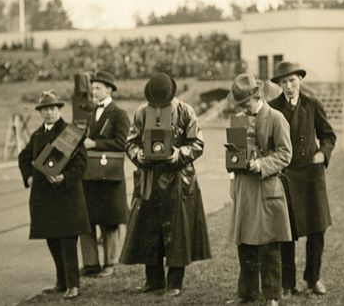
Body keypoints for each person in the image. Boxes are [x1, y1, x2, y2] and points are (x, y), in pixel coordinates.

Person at [120, 72, 211, 297]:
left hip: (178, 178)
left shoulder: (185, 111)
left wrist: (179, 153)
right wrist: (138, 154)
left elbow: (197, 143)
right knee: (149, 229)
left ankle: (174, 282)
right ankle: (154, 280)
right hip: (149, 178)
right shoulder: (141, 112)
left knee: (177, 231)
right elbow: (130, 141)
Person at [268, 62, 337, 297]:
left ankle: (313, 278)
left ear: (300, 80)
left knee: (317, 231)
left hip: (311, 176)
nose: (289, 86)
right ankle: (287, 283)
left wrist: (322, 153)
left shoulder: (312, 105)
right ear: (278, 84)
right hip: (284, 178)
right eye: (284, 82)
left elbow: (328, 135)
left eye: (292, 81)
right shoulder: (272, 108)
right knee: (286, 231)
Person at [227, 73, 293, 306]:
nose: (244, 109)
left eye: (246, 104)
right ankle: (247, 293)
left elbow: (286, 154)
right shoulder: (238, 119)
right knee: (245, 244)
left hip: (267, 189)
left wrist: (262, 164)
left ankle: (272, 296)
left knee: (269, 246)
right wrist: (233, 170)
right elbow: (234, 153)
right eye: (241, 105)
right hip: (245, 190)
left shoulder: (276, 118)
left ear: (257, 96)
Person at [18, 90, 90, 300]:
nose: (48, 113)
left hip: (66, 196)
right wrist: (28, 176)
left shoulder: (70, 132)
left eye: (52, 108)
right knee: (52, 240)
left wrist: (64, 178)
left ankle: (73, 285)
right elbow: (24, 156)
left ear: (59, 109)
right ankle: (61, 282)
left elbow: (81, 164)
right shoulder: (38, 134)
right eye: (44, 109)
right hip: (44, 198)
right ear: (40, 112)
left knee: (68, 241)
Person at [79, 70, 130, 278]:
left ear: (109, 90)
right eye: (92, 88)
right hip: (90, 175)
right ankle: (90, 264)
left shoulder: (119, 114)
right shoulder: (91, 114)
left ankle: (110, 263)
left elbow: (121, 143)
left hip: (109, 176)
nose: (94, 91)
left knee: (109, 221)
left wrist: (95, 144)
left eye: (98, 88)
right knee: (87, 220)